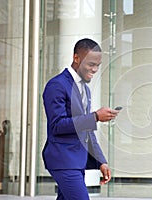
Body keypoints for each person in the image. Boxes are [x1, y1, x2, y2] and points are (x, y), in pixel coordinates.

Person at [42, 38, 119, 200]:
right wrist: (95, 117)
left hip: (77, 162)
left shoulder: (85, 90)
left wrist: (100, 161)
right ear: (76, 58)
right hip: (63, 160)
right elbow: (57, 125)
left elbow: (86, 129)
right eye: (91, 64)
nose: (95, 69)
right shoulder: (57, 85)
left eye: (98, 65)